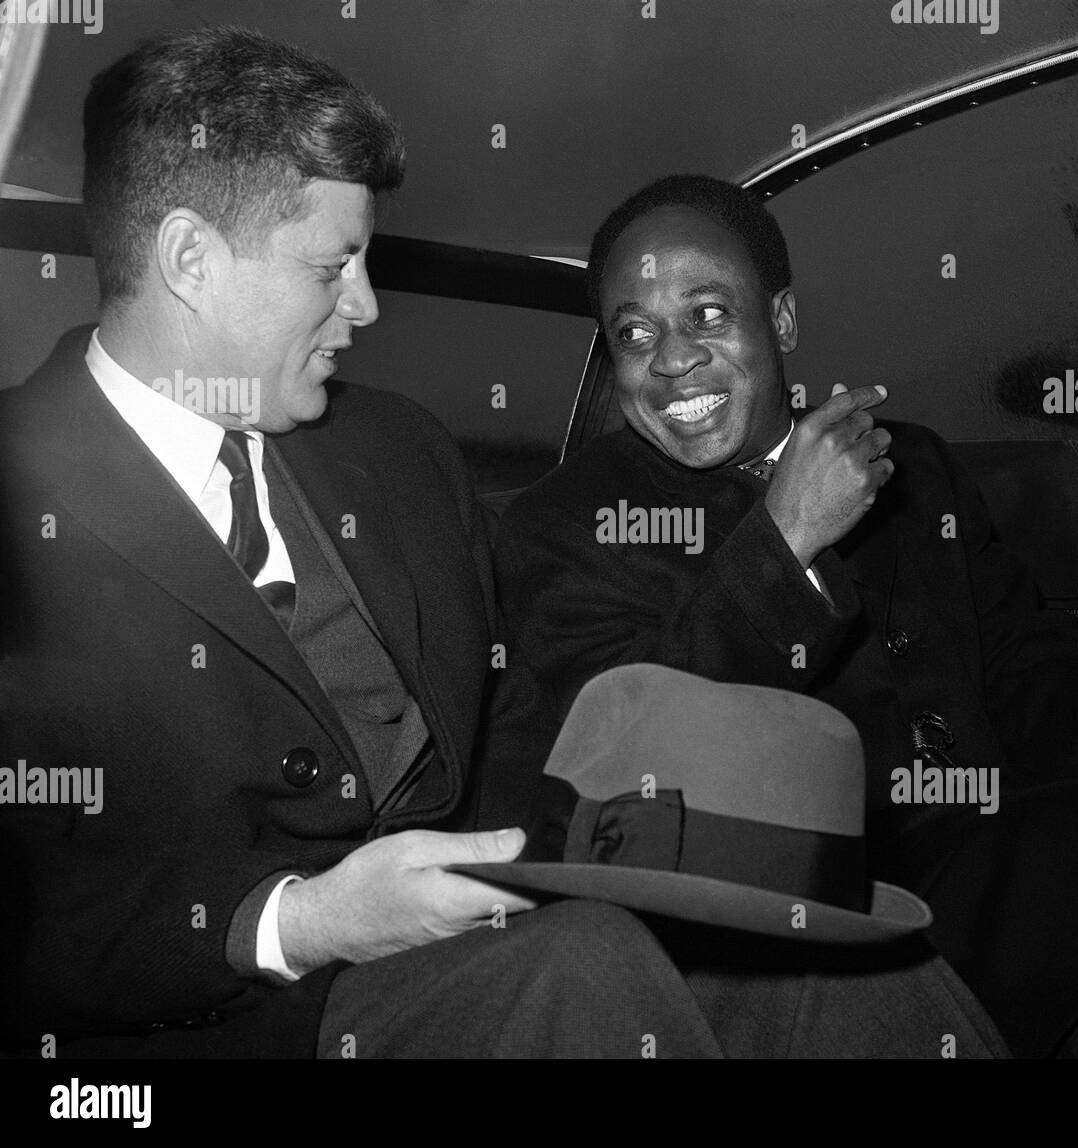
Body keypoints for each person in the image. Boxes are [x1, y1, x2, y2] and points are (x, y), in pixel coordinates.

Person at [0, 28, 1013, 1061]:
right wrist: (301, 917)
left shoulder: (396, 454)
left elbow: (532, 738)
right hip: (234, 1015)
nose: (366, 305)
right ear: (187, 260)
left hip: (497, 928)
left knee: (822, 951)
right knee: (579, 964)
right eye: (332, 267)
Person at [494, 173, 1078, 1058]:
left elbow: (1023, 654)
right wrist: (784, 538)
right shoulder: (568, 524)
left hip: (1012, 857)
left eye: (708, 315)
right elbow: (632, 766)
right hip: (811, 924)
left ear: (785, 321)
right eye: (633, 334)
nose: (671, 358)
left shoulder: (912, 465)